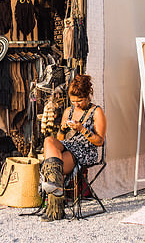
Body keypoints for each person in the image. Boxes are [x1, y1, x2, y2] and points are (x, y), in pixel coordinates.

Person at [40, 74, 107, 221]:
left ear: (88, 96)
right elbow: (60, 140)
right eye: (73, 101)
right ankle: (57, 197)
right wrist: (63, 130)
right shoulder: (68, 111)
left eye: (80, 101)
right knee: (49, 141)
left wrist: (82, 129)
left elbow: (99, 141)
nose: (76, 104)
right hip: (70, 146)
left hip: (86, 150)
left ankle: (54, 207)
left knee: (51, 167)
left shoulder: (96, 112)